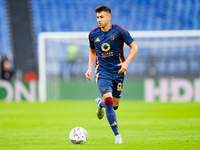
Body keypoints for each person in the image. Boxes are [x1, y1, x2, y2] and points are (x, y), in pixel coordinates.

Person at [85, 6, 138, 144]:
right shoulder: (92, 35)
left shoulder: (119, 31)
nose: (99, 20)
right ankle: (117, 136)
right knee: (109, 100)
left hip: (118, 72)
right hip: (102, 72)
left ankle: (100, 104)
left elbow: (134, 47)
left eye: (101, 17)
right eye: (97, 17)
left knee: (114, 105)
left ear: (109, 17)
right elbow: (92, 52)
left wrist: (126, 63)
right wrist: (89, 68)